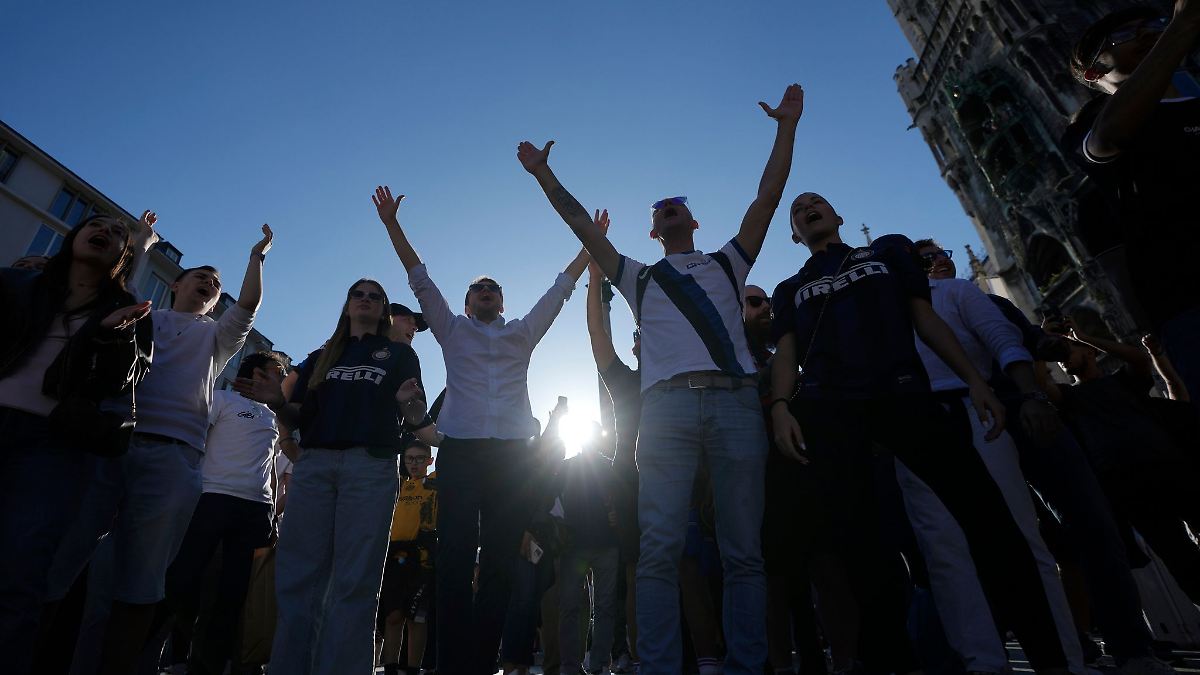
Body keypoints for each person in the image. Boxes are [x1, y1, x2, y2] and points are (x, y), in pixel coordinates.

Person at [517, 82, 804, 675]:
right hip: (667, 412)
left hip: (734, 404)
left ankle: (748, 666)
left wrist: (786, 127)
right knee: (658, 550)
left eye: (677, 203)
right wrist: (545, 175)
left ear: (693, 219)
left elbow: (768, 197)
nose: (668, 206)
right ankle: (658, 667)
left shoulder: (729, 262)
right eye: (659, 208)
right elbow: (580, 226)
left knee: (743, 550)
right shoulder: (638, 277)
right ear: (654, 231)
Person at [769, 192, 1072, 674]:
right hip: (833, 410)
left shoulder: (885, 252)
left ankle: (1051, 660)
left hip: (904, 393)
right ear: (793, 232)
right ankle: (893, 661)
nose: (807, 207)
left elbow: (923, 319)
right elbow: (786, 353)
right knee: (860, 548)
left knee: (990, 523)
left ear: (838, 215)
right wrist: (781, 406)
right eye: (798, 209)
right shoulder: (791, 287)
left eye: (817, 202)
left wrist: (975, 380)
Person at [919, 241, 1175, 675]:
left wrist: (1054, 349)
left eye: (942, 252)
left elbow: (1029, 338)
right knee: (998, 541)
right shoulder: (915, 312)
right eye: (927, 258)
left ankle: (1130, 647)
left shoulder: (987, 300)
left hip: (1029, 411)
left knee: (1093, 524)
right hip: (974, 423)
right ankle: (1042, 647)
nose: (941, 260)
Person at [372, 183, 590, 674]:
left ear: (502, 301)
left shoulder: (522, 333)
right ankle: (449, 662)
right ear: (468, 303)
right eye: (479, 289)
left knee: (497, 562)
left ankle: (480, 661)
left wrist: (587, 248)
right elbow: (419, 280)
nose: (487, 293)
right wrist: (392, 225)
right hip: (463, 452)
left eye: (494, 288)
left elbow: (558, 292)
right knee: (452, 558)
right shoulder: (451, 330)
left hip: (512, 456)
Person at [42, 219, 270, 675]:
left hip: (174, 456)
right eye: (201, 276)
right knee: (65, 566)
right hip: (110, 445)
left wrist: (256, 257)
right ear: (175, 283)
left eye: (215, 282)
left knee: (142, 582)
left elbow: (247, 304)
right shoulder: (140, 315)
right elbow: (118, 283)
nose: (209, 282)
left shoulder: (217, 338)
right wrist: (143, 243)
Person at [894, 241, 1086, 675]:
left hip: (976, 411)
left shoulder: (957, 292)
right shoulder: (883, 310)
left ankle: (1065, 661)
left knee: (1021, 535)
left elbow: (1003, 339)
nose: (934, 262)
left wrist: (1031, 395)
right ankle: (982, 661)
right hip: (916, 423)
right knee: (943, 550)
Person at [235, 278, 428, 674]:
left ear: (384, 310)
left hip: (369, 466)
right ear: (347, 305)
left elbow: (412, 419)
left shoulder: (399, 355)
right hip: (316, 466)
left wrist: (411, 407)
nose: (366, 300)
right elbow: (299, 416)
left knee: (354, 583)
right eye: (358, 294)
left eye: (375, 296)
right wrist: (276, 402)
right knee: (297, 579)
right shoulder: (322, 357)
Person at [0, 213, 153, 675]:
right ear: (74, 235)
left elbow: (121, 383)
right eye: (96, 224)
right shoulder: (17, 284)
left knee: (19, 575)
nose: (105, 231)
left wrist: (110, 337)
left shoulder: (129, 311)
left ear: (124, 255)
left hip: (52, 447)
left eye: (118, 233)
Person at [1064, 2, 1200, 412]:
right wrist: (1183, 25)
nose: (1147, 34)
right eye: (1125, 36)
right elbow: (1109, 136)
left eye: (1153, 25)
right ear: (1093, 73)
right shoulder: (1093, 121)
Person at [149, 351, 288, 675]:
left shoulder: (272, 416)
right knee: (182, 580)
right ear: (254, 374)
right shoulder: (221, 399)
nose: (281, 378)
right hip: (212, 498)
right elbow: (194, 442)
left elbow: (269, 465)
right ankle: (151, 654)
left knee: (234, 594)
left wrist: (270, 510)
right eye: (275, 372)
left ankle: (207, 666)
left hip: (256, 510)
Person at [1045, 322, 1200, 607]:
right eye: (1059, 355)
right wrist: (1038, 343)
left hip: (1171, 469)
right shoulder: (1070, 399)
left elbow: (1139, 358)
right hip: (1129, 488)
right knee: (1180, 557)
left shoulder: (1122, 382)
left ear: (1089, 353)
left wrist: (1083, 336)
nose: (1063, 358)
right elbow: (1042, 385)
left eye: (1069, 351)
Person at [583, 228, 641, 672]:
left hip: (685, 484)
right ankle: (633, 653)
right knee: (634, 574)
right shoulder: (625, 382)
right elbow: (599, 334)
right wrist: (596, 280)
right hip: (632, 489)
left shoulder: (684, 383)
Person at [555, 421, 620, 675]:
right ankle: (595, 663)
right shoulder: (605, 467)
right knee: (597, 606)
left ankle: (580, 664)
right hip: (586, 544)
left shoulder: (571, 466)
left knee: (575, 606)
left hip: (588, 545)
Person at [380, 440, 438, 675]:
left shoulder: (434, 483)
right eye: (409, 459)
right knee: (393, 616)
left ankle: (414, 669)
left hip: (422, 559)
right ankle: (391, 667)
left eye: (420, 459)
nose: (414, 463)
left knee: (418, 619)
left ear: (429, 461)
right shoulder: (398, 485)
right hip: (394, 558)